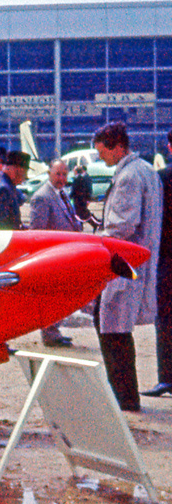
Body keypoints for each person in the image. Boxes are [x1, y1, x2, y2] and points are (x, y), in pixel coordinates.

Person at [92, 123, 162, 412]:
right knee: (117, 331)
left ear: (116, 146)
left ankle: (124, 397)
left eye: (102, 152)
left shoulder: (129, 176)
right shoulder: (146, 170)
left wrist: (96, 241)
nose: (102, 159)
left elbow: (121, 225)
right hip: (136, 266)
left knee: (113, 332)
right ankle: (125, 395)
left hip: (123, 267)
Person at [29, 159, 83, 347]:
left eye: (64, 174)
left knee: (61, 296)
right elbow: (37, 232)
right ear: (49, 174)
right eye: (58, 174)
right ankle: (49, 333)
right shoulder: (42, 197)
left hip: (66, 255)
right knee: (51, 296)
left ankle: (54, 330)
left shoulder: (62, 194)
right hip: (53, 257)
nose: (61, 178)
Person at [142, 129, 172, 398]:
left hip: (168, 260)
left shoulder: (161, 179)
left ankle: (167, 378)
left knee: (165, 320)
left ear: (169, 148)